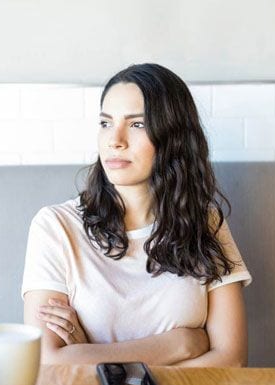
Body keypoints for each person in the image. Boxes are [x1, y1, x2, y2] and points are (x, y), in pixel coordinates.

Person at [21, 63, 252, 367]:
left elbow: (231, 359)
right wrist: (177, 344)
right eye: (105, 123)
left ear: (173, 137)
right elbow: (47, 361)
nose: (115, 140)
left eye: (137, 124)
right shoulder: (55, 227)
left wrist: (89, 353)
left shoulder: (205, 222)